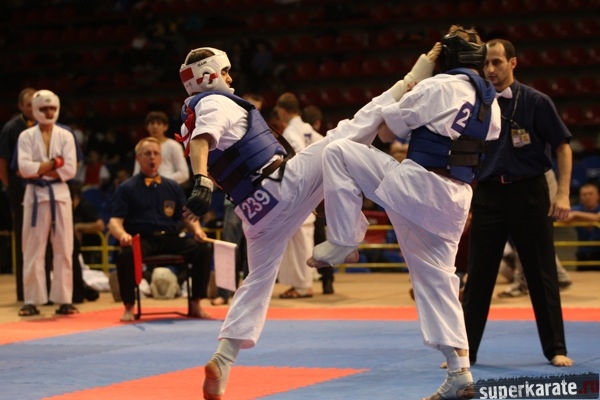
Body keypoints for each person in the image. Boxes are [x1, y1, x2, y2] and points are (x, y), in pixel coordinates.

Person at [176, 43, 439, 399]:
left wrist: (302, 199)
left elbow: (208, 145)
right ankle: (345, 238)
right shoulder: (214, 103)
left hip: (256, 210)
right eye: (225, 72)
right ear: (209, 76)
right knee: (347, 133)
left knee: (257, 282)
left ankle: (223, 359)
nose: (230, 78)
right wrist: (201, 180)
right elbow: (203, 141)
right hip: (280, 184)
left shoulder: (189, 115)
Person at [308, 26, 499, 400]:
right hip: (456, 201)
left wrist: (414, 83)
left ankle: (344, 239)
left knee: (339, 151)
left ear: (447, 58)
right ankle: (460, 373)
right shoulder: (491, 103)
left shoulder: (437, 86)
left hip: (419, 187)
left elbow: (384, 132)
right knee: (439, 283)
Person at [461, 38, 574, 367]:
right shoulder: (477, 105)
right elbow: (465, 155)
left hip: (529, 193)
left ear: (513, 63)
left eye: (497, 62)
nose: (490, 69)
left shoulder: (536, 101)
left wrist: (563, 193)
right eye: (486, 63)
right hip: (488, 195)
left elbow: (563, 147)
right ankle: (465, 352)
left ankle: (555, 348)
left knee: (541, 274)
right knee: (478, 276)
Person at [108, 137, 212, 322]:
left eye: (156, 153)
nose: (152, 157)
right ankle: (129, 306)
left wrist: (197, 230)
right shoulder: (126, 188)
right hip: (142, 239)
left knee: (202, 249)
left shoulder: (172, 186)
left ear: (161, 158)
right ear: (138, 158)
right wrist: (123, 235)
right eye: (147, 154)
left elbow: (186, 217)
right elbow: (114, 222)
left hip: (170, 237)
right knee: (125, 254)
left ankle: (196, 302)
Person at [17, 90, 79, 316]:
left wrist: (40, 168)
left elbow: (70, 170)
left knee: (64, 247)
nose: (49, 112)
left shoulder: (66, 135)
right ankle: (31, 300)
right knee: (32, 249)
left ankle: (64, 300)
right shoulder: (25, 136)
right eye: (44, 108)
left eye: (52, 108)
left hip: (59, 194)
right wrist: (54, 163)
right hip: (35, 194)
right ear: (35, 109)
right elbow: (24, 169)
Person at [275, 92, 324, 299]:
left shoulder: (291, 131)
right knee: (299, 240)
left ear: (283, 111)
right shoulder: (307, 129)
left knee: (300, 242)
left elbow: (299, 156)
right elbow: (325, 147)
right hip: (311, 189)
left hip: (300, 190)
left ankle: (303, 286)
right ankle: (300, 284)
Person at [497, 169, 573, 297]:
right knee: (535, 239)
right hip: (522, 178)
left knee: (526, 235)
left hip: (535, 178)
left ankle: (522, 283)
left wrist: (563, 194)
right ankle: (560, 276)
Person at [0, 88, 37, 301]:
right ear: (21, 106)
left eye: (35, 104)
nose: (33, 108)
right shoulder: (11, 128)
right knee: (24, 238)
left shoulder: (44, 125)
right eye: (29, 104)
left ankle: (45, 288)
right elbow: (2, 163)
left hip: (41, 186)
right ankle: (25, 291)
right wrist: (12, 188)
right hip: (19, 188)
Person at [133, 111, 190, 186]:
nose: (155, 126)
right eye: (152, 123)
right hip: (146, 186)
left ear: (165, 127)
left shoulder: (174, 146)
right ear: (147, 127)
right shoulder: (142, 146)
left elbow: (184, 174)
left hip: (168, 187)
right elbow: (136, 173)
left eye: (159, 123)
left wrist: (161, 181)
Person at [70, 181, 105, 303]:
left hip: (91, 250)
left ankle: (88, 290)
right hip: (79, 251)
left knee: (91, 275)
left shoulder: (85, 206)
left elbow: (100, 225)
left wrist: (80, 227)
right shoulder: (69, 209)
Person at [564, 181, 600, 270]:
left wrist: (576, 215)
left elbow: (597, 218)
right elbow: (562, 218)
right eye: (584, 194)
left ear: (598, 196)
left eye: (590, 194)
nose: (588, 197)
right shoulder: (577, 208)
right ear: (580, 197)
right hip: (583, 254)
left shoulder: (576, 212)